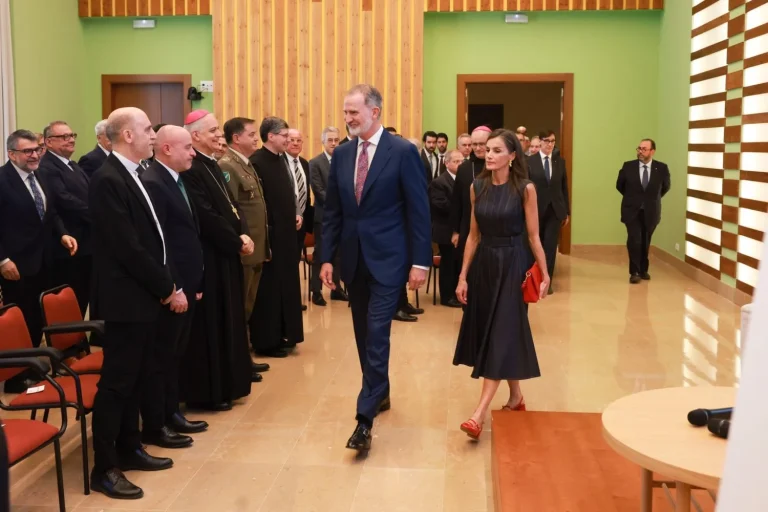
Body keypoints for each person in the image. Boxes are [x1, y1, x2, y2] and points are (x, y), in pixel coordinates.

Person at [320, 84, 431, 452]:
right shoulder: (343, 155)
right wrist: (326, 257)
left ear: (375, 112)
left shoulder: (402, 152)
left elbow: (418, 210)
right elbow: (333, 212)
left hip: (390, 260)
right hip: (353, 261)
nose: (347, 119)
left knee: (377, 331)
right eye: (345, 112)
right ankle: (379, 391)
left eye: (353, 112)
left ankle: (364, 419)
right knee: (363, 336)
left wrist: (420, 262)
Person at [89, 107, 175, 499]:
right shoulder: (108, 178)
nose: (152, 134)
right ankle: (105, 467)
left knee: (138, 376)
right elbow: (128, 247)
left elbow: (151, 236)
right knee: (117, 384)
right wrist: (165, 286)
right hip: (127, 299)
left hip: (143, 296)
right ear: (126, 135)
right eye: (146, 129)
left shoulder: (134, 172)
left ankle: (129, 446)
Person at [453, 129, 550, 440]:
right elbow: (472, 235)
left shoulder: (525, 189)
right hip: (485, 264)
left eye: (496, 150)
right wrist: (462, 275)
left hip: (514, 263)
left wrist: (545, 273)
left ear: (512, 156)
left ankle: (478, 414)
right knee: (499, 332)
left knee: (500, 331)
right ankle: (516, 397)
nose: (489, 154)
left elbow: (534, 236)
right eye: (487, 149)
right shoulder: (476, 187)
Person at [180, 109, 256, 411]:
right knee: (211, 324)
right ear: (195, 135)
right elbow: (205, 215)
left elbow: (233, 206)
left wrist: (244, 234)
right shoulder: (191, 167)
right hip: (210, 257)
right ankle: (209, 391)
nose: (218, 135)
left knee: (229, 319)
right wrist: (235, 240)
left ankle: (229, 383)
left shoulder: (212, 164)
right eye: (212, 130)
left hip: (226, 253)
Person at [140, 126, 209, 447]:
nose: (193, 153)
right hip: (172, 289)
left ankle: (172, 413)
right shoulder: (153, 182)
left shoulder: (176, 179)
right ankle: (157, 423)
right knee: (162, 358)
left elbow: (188, 234)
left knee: (175, 355)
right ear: (166, 148)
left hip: (187, 283)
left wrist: (195, 282)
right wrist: (176, 287)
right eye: (188, 148)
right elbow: (160, 244)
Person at [0, 130, 77, 392]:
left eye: (37, 150)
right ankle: (14, 376)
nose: (35, 155)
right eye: (28, 151)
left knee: (37, 315)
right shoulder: (2, 180)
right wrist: (2, 260)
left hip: (45, 259)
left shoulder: (41, 175)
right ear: (12, 154)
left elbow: (51, 212)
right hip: (15, 264)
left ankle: (31, 366)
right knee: (18, 318)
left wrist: (63, 233)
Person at [249, 117, 305, 358]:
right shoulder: (257, 162)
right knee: (270, 290)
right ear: (270, 136)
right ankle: (267, 341)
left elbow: (287, 192)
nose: (288, 139)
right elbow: (259, 204)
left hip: (286, 235)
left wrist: (294, 212)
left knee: (287, 286)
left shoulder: (281, 159)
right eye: (284, 135)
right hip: (271, 236)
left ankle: (286, 334)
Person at [219, 118, 272, 345]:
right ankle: (239, 357)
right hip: (245, 249)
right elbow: (231, 211)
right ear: (237, 138)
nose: (256, 138)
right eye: (251, 134)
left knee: (248, 305)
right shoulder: (227, 165)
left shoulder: (246, 163)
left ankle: (244, 353)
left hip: (256, 247)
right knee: (240, 306)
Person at [38, 120, 92, 316]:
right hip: (68, 245)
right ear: (48, 142)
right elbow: (63, 200)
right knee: (70, 301)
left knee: (83, 296)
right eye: (64, 137)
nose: (70, 140)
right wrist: (97, 214)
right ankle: (68, 344)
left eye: (72, 136)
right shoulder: (47, 167)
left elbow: (89, 194)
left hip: (86, 241)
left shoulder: (73, 165)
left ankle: (78, 343)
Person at [616, 139, 670, 283]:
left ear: (652, 151)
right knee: (635, 239)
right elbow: (620, 185)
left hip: (651, 211)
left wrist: (650, 200)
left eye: (644, 149)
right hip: (631, 210)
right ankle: (634, 272)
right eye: (639, 148)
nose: (640, 151)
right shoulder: (628, 167)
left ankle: (643, 269)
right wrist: (634, 198)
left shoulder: (661, 168)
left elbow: (664, 188)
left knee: (646, 240)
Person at [309, 126, 347, 306]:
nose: (333, 143)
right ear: (323, 142)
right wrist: (341, 204)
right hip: (324, 216)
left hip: (344, 217)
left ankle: (336, 289)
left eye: (336, 140)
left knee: (340, 253)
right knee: (321, 253)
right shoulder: (315, 162)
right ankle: (315, 291)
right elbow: (319, 190)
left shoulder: (345, 160)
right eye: (330, 140)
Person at [527, 130, 569, 294]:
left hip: (555, 210)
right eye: (546, 141)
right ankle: (533, 279)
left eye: (552, 141)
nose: (550, 144)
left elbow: (563, 187)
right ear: (540, 142)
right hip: (535, 209)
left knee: (550, 246)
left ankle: (546, 281)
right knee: (534, 245)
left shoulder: (560, 162)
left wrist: (566, 211)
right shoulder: (530, 161)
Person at [429, 149, 463, 308]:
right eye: (456, 161)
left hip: (460, 228)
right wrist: (461, 208)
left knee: (458, 263)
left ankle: (457, 293)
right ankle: (446, 296)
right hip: (445, 230)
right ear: (447, 163)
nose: (459, 164)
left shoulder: (463, 179)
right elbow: (440, 205)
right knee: (448, 264)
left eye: (461, 161)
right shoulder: (439, 182)